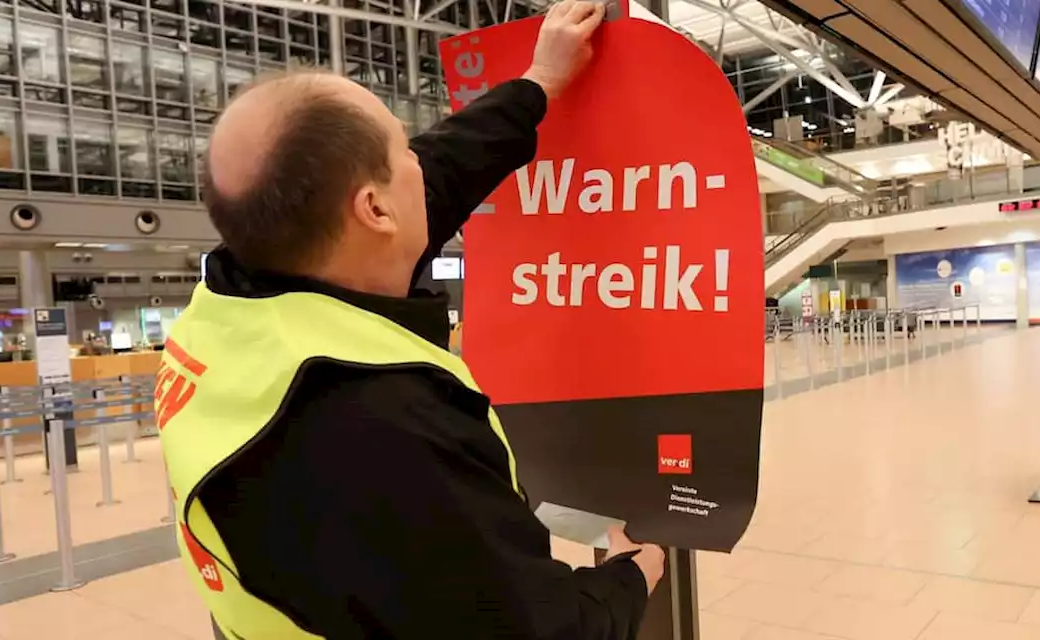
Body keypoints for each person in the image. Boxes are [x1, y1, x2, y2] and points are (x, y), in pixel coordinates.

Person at [154, 2, 666, 638]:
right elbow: (532, 629)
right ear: (373, 209)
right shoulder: (381, 423)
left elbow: (443, 166)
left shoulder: (226, 311)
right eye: (404, 149)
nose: (422, 160)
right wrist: (628, 575)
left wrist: (538, 82)